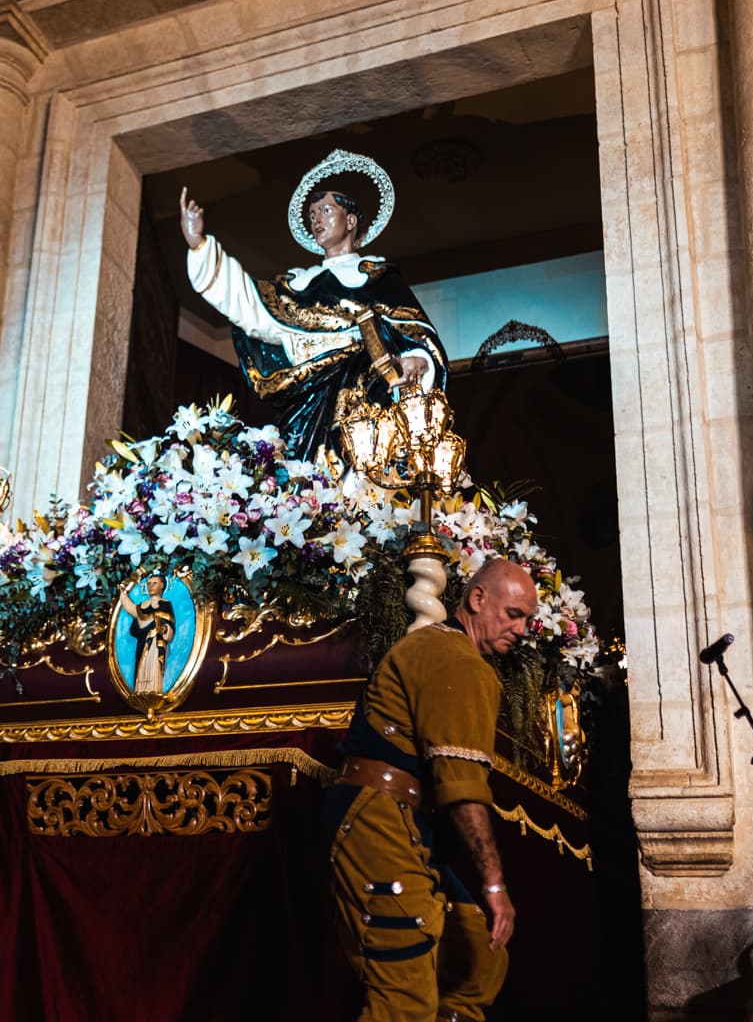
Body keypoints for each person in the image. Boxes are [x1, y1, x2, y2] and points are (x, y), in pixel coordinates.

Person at [324, 559, 532, 1021]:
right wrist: (494, 885)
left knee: (481, 957)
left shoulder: (449, 652)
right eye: (514, 613)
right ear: (478, 600)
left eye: (528, 620)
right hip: (376, 819)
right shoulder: (457, 659)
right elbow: (462, 789)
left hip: (407, 824)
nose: (522, 629)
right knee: (403, 1001)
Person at [179, 150, 448, 459]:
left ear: (350, 221)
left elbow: (416, 333)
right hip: (304, 407)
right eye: (312, 214)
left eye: (325, 210)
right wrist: (199, 246)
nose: (316, 219)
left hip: (363, 403)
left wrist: (417, 359)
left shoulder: (377, 278)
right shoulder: (297, 285)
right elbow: (250, 305)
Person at [119, 573, 175, 694]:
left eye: (154, 583)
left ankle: (154, 689)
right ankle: (141, 690)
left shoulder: (165, 604)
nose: (150, 586)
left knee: (154, 665)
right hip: (143, 641)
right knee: (141, 664)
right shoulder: (142, 606)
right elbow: (130, 608)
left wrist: (165, 629)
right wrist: (123, 594)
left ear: (162, 586)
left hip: (156, 641)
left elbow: (170, 625)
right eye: (148, 583)